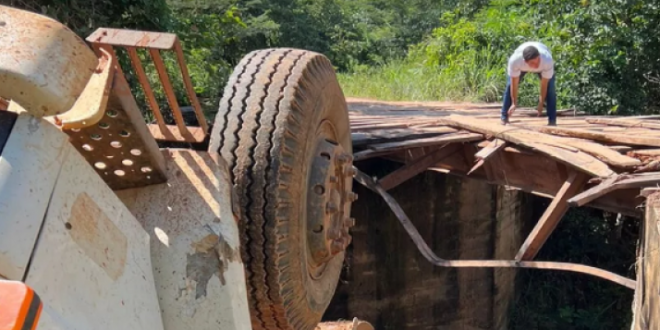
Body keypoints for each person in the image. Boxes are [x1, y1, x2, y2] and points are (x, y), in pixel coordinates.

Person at [501, 41, 556, 126]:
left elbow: (544, 85)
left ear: (539, 56)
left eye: (537, 61)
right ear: (525, 61)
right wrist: (514, 103)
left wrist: (541, 104)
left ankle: (552, 120)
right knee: (509, 86)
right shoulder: (515, 61)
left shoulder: (547, 60)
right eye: (532, 63)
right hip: (520, 66)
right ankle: (504, 117)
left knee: (551, 89)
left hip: (544, 66)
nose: (536, 65)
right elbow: (514, 85)